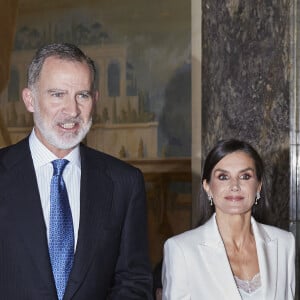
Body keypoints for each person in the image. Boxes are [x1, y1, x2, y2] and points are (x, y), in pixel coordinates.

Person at [0, 43, 153, 299]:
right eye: (57, 94)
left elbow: (133, 280)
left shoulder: (124, 182)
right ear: (30, 99)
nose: (72, 111)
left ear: (94, 99)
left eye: (82, 95)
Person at [162, 139, 295, 299]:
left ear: (258, 186)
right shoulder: (181, 250)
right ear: (208, 187)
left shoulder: (284, 244)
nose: (235, 186)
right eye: (223, 177)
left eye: (245, 176)